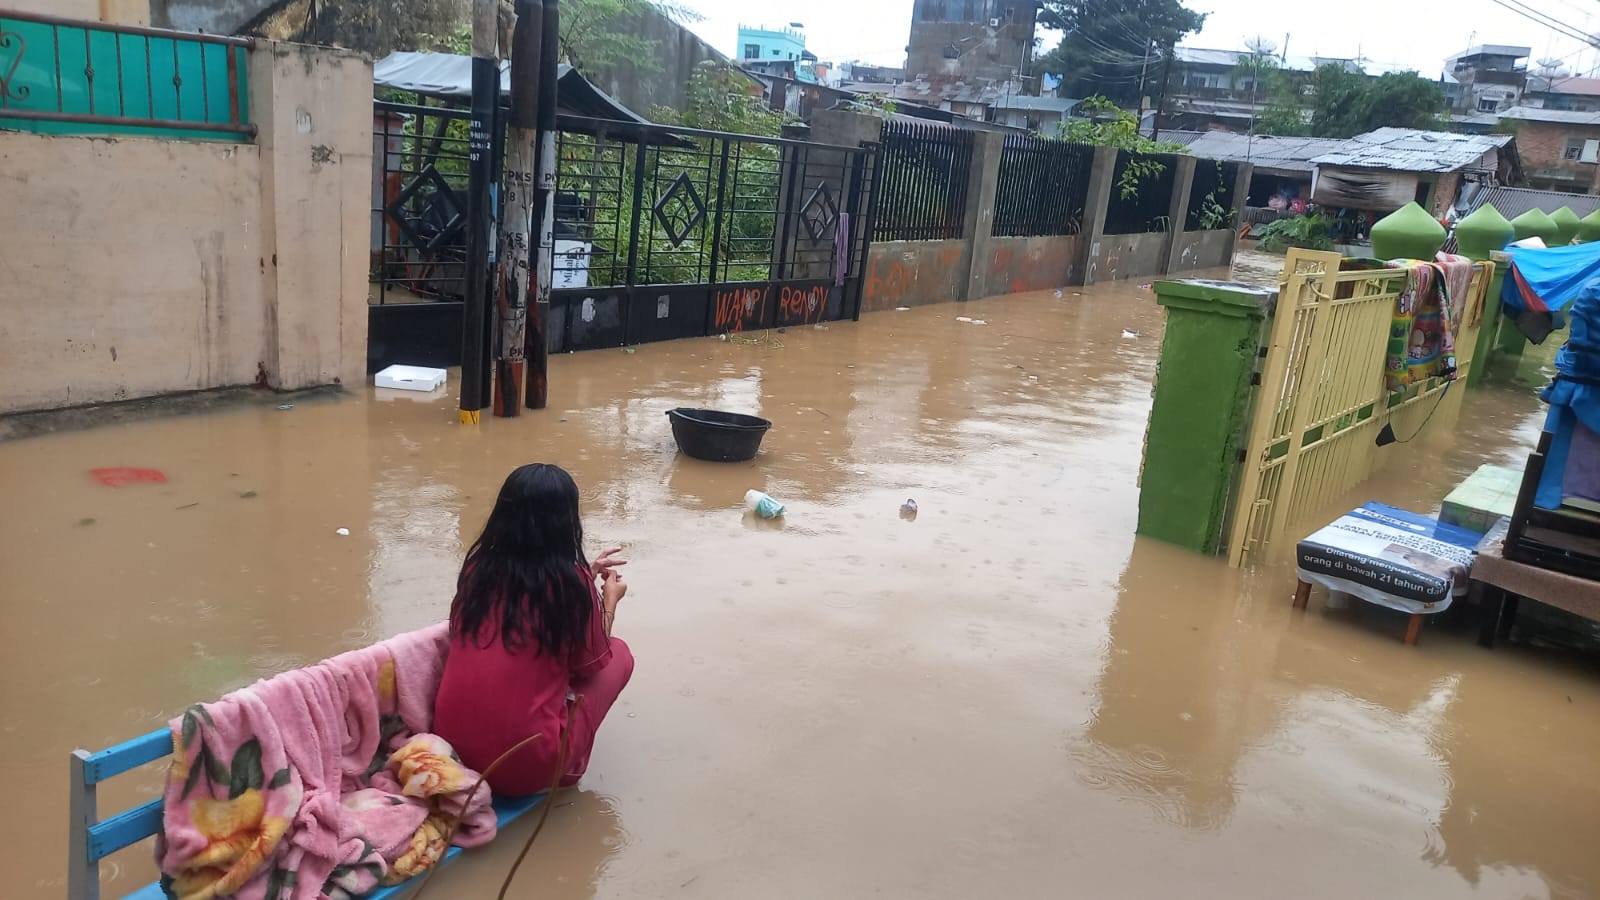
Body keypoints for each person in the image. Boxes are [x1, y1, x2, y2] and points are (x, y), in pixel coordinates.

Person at [433, 463, 634, 796]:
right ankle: (565, 768)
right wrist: (607, 601)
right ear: (567, 522)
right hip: (522, 769)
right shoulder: (572, 584)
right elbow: (593, 662)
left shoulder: (477, 567)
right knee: (620, 655)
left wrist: (582, 577)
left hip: (454, 752)